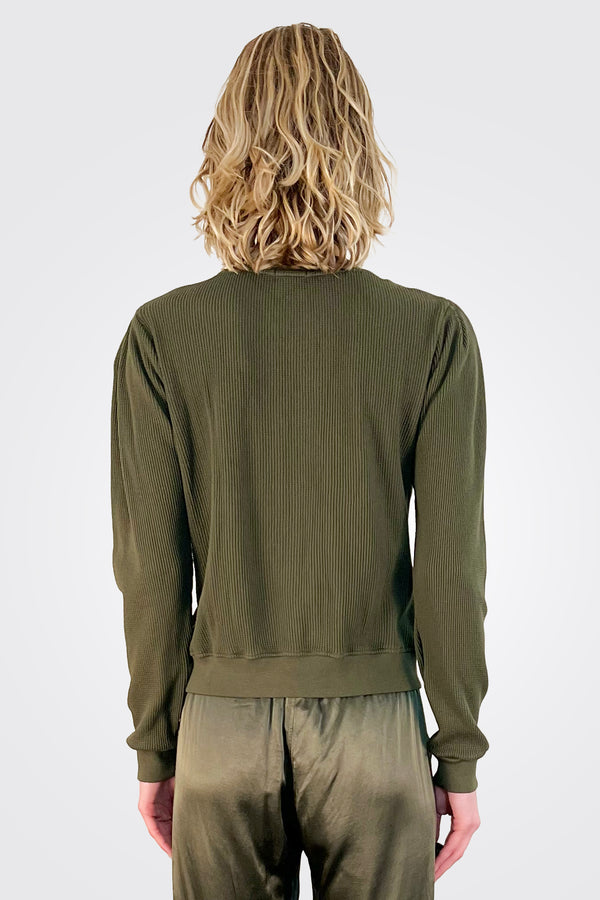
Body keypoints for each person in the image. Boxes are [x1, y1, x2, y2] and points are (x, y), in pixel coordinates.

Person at [110, 22, 489, 900]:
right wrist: (458, 756)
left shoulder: (161, 335)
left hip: (219, 733)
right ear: (358, 147)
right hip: (378, 735)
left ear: (227, 146)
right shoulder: (432, 333)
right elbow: (452, 569)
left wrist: (157, 749)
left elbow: (150, 571)